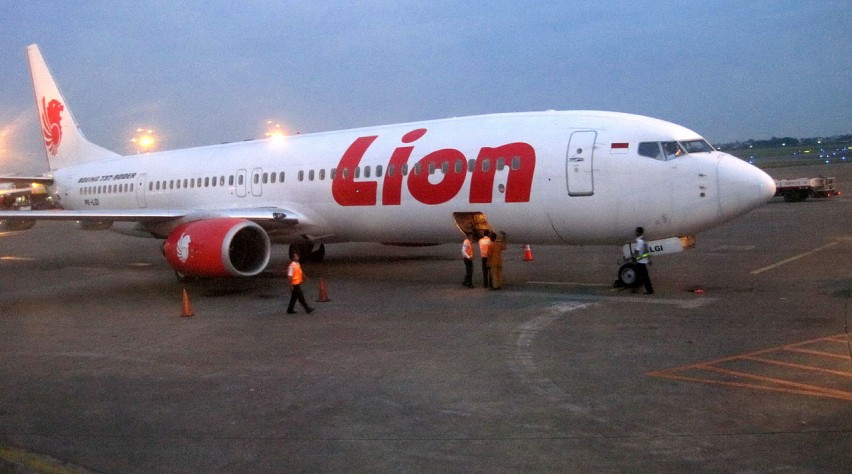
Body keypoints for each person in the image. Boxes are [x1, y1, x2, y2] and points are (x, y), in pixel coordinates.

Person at [632, 227, 654, 294]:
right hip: (643, 261)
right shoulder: (644, 240)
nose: (635, 233)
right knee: (644, 276)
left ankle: (636, 289)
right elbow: (647, 251)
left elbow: (637, 251)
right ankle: (649, 290)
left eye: (636, 232)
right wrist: (649, 260)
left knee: (638, 275)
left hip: (640, 262)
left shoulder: (639, 241)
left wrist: (634, 258)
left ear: (638, 232)